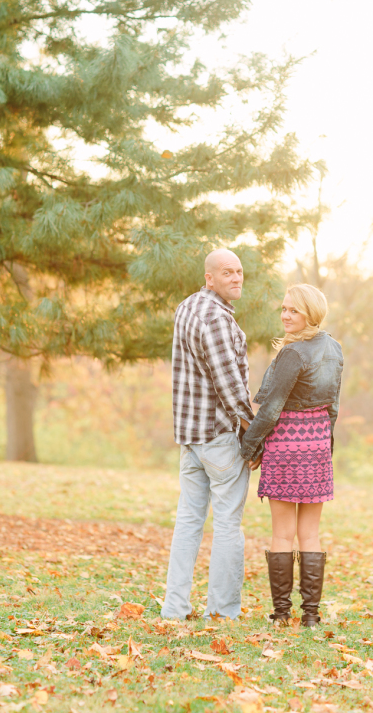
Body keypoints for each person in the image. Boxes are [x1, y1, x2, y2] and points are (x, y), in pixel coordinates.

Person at [239, 284, 343, 628]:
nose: (285, 315)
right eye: (283, 309)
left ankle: (282, 615)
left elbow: (270, 411)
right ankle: (311, 617)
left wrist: (248, 447)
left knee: (283, 534)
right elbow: (333, 408)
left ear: (310, 314)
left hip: (286, 442)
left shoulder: (292, 354)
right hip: (317, 445)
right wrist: (325, 446)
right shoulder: (335, 349)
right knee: (310, 534)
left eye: (294, 310)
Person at [160, 249, 254, 621]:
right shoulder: (215, 318)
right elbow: (230, 387)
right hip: (217, 437)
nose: (236, 278)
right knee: (228, 523)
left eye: (240, 271)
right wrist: (254, 432)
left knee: (188, 520)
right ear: (210, 277)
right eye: (227, 272)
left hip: (190, 437)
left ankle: (174, 607)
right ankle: (223, 611)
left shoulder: (187, 306)